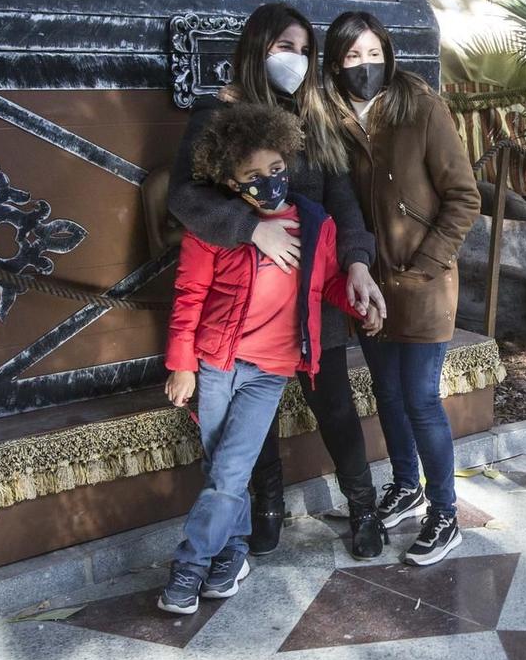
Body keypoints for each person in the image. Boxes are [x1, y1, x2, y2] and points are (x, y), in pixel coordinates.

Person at [166, 3, 389, 560]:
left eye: (304, 51)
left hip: (315, 293)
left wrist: (358, 261)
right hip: (248, 299)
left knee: (333, 402)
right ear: (256, 50)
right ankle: (266, 507)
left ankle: (363, 507)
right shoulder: (218, 117)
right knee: (252, 417)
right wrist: (250, 229)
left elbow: (343, 201)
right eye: (283, 48)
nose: (296, 60)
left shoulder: (316, 118)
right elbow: (185, 197)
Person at [158, 103, 379, 615]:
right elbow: (189, 295)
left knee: (231, 470)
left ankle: (188, 568)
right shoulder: (216, 228)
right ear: (231, 183)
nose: (267, 183)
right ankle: (230, 557)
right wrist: (182, 363)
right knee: (223, 470)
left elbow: (323, 282)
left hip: (271, 371)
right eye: (252, 177)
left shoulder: (314, 222)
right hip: (217, 362)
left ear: (289, 161)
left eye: (275, 170)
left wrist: (358, 300)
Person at [320, 11, 481, 566]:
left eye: (372, 54)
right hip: (369, 285)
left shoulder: (421, 108)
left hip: (423, 284)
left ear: (387, 54)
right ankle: (407, 486)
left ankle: (445, 512)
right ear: (335, 64)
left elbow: (464, 197)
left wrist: (426, 263)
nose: (364, 67)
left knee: (420, 398)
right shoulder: (332, 120)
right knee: (386, 394)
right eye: (351, 57)